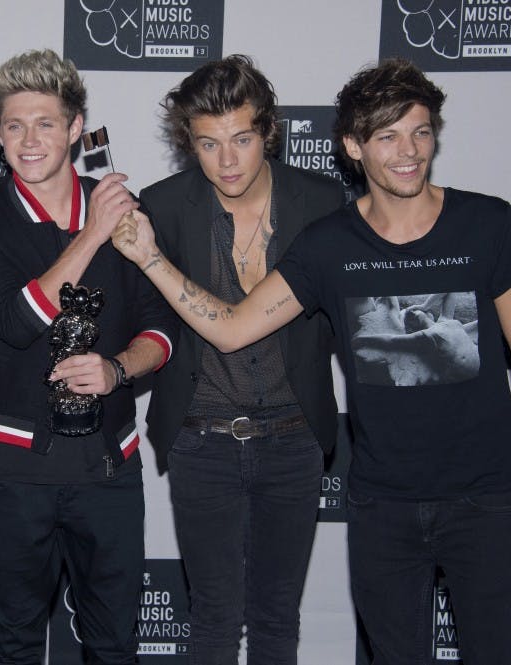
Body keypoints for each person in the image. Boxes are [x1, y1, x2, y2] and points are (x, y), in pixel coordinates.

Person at [112, 58, 511, 665]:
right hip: (362, 493)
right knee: (257, 626)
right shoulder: (322, 240)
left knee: (495, 651)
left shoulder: (472, 223)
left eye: (420, 132)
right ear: (356, 146)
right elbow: (228, 327)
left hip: (465, 491)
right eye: (387, 136)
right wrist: (147, 259)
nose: (407, 152)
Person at [0, 49, 175, 665]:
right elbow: (16, 320)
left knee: (113, 645)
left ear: (76, 128)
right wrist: (92, 234)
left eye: (46, 122)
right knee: (18, 645)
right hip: (17, 468)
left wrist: (117, 369)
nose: (29, 140)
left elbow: (161, 333)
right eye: (13, 124)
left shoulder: (126, 211)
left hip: (109, 469)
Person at [138, 55, 343, 664]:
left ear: (268, 132)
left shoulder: (323, 202)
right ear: (189, 144)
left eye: (242, 140)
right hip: (201, 440)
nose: (227, 161)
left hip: (295, 438)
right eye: (208, 144)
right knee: (214, 619)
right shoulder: (165, 205)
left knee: (278, 618)